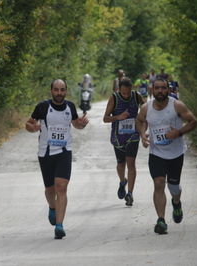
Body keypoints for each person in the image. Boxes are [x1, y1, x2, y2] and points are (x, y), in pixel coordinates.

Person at [25, 79, 89, 239]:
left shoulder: (70, 107)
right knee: (49, 190)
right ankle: (52, 207)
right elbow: (29, 124)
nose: (59, 93)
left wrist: (81, 124)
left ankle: (59, 226)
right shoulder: (42, 107)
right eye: (56, 90)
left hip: (64, 152)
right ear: (51, 90)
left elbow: (75, 124)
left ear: (66, 91)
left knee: (61, 187)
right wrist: (32, 128)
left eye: (62, 90)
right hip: (45, 153)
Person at [136, 78, 197, 234]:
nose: (160, 91)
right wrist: (143, 135)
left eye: (163, 88)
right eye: (157, 88)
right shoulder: (146, 108)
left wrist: (179, 132)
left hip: (176, 153)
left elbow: (193, 121)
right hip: (156, 153)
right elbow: (140, 121)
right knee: (159, 183)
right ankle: (161, 220)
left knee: (174, 186)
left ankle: (176, 203)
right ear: (152, 90)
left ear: (168, 90)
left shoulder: (176, 105)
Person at [103, 77, 144, 207]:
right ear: (119, 89)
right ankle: (122, 182)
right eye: (123, 93)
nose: (126, 95)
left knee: (131, 163)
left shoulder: (136, 96)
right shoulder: (114, 98)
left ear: (131, 89)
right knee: (121, 164)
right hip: (118, 137)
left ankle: (130, 193)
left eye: (128, 92)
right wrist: (118, 117)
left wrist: (143, 123)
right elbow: (105, 118)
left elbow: (145, 110)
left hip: (133, 135)